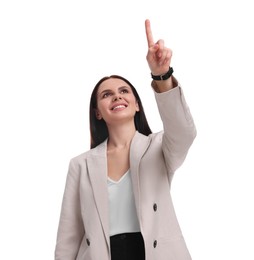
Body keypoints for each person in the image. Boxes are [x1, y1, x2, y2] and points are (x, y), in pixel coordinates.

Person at [55, 19, 197, 260]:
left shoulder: (159, 148)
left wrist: (162, 75)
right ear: (98, 112)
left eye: (124, 91)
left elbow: (184, 131)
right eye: (106, 94)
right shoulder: (81, 165)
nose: (116, 97)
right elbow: (68, 238)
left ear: (137, 104)